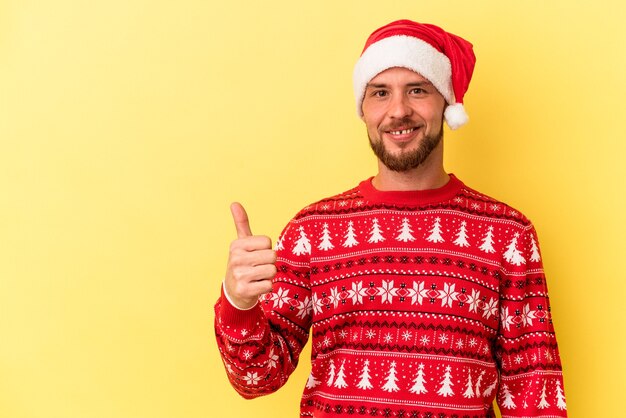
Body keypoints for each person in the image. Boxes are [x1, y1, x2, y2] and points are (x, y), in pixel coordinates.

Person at [214, 19, 567, 417]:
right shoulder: (313, 231)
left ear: (447, 103)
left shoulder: (508, 235)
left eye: (418, 90)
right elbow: (257, 378)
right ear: (363, 110)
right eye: (380, 93)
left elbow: (536, 395)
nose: (398, 110)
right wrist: (238, 302)